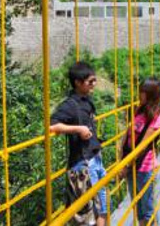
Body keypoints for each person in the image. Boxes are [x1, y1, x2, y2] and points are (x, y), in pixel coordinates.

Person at [50, 62, 107, 226]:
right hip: (84, 164)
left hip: (96, 158)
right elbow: (51, 126)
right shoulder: (69, 105)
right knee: (90, 216)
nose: (94, 84)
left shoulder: (86, 101)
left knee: (102, 208)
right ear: (77, 82)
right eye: (90, 81)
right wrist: (78, 129)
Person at [120, 77, 160, 226]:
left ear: (151, 95)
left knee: (147, 208)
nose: (140, 94)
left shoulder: (158, 117)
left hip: (144, 167)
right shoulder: (138, 110)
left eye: (143, 92)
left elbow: (143, 146)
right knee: (137, 206)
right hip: (130, 164)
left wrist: (126, 165)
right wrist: (122, 162)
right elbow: (126, 136)